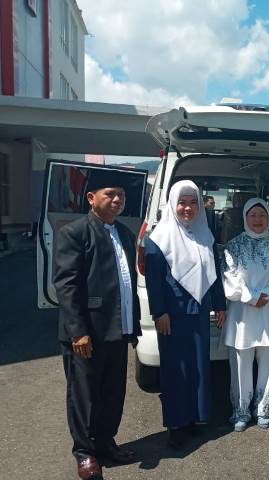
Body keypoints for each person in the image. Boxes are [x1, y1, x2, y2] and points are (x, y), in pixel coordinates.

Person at [54, 170, 141, 480]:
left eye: (121, 195)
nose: (117, 200)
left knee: (113, 393)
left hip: (118, 329)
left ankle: (105, 442)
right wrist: (78, 331)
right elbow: (67, 286)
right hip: (88, 333)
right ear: (91, 198)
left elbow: (126, 283)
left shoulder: (125, 234)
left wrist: (133, 325)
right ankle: (84, 452)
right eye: (110, 194)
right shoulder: (75, 232)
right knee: (84, 395)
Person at [144, 180, 227, 449]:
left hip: (199, 311)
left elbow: (214, 275)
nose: (188, 208)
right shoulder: (158, 238)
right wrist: (159, 312)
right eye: (182, 203)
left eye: (193, 203)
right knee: (175, 369)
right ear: (172, 204)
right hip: (173, 314)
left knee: (198, 366)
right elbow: (154, 281)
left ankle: (194, 417)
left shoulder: (205, 235)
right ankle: (176, 424)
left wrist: (220, 305)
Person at [222, 198, 269, 431]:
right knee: (241, 363)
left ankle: (264, 409)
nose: (257, 220)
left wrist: (267, 294)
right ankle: (241, 411)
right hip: (243, 314)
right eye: (252, 215)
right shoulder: (234, 246)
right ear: (245, 217)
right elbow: (229, 277)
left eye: (262, 215)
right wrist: (252, 297)